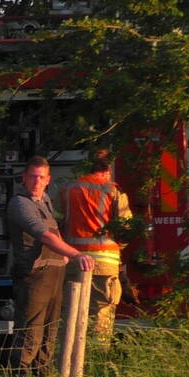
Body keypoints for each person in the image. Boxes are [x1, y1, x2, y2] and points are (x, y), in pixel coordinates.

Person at [6, 156, 94, 377]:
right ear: (24, 178)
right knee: (30, 335)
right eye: (32, 177)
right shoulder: (20, 203)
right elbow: (43, 234)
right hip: (34, 278)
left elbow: (54, 231)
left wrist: (63, 258)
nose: (36, 181)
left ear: (48, 180)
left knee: (50, 334)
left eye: (41, 177)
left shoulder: (45, 200)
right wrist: (74, 254)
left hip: (54, 276)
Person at [59, 150, 132, 351]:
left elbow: (56, 222)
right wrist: (118, 249)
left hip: (74, 262)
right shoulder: (113, 192)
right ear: (107, 171)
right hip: (104, 264)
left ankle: (68, 360)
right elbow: (126, 229)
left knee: (72, 314)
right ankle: (95, 362)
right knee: (100, 316)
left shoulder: (68, 190)